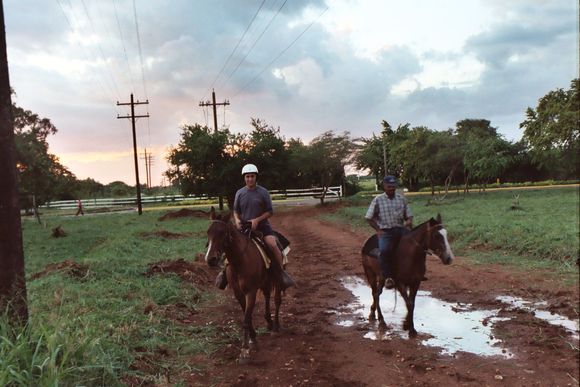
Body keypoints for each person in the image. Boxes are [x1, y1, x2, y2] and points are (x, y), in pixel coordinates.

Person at [216, 163, 296, 290]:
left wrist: (257, 220)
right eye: (247, 177)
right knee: (229, 244)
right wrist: (237, 220)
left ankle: (281, 274)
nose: (250, 179)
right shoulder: (240, 193)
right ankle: (224, 274)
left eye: (252, 176)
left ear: (256, 177)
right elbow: (236, 210)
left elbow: (270, 212)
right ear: (244, 178)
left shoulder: (263, 192)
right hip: (243, 227)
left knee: (272, 244)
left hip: (262, 227)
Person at [365, 175, 413, 289]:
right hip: (386, 232)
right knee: (385, 251)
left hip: (401, 229)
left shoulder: (402, 199)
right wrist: (378, 230)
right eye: (389, 186)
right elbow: (368, 217)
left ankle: (415, 273)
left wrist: (409, 222)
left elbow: (409, 215)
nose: (392, 188)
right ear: (384, 186)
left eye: (393, 186)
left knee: (415, 247)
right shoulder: (378, 200)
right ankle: (388, 277)